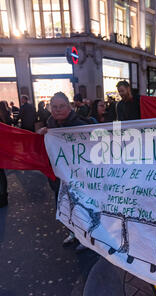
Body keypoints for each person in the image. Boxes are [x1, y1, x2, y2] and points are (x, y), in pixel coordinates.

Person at [37, 92, 91, 250]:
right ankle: (73, 233)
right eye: (54, 107)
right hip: (59, 177)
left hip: (78, 177)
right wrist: (41, 135)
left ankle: (85, 239)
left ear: (69, 107)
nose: (58, 110)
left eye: (61, 106)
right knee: (64, 207)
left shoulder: (80, 125)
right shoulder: (50, 125)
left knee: (80, 208)